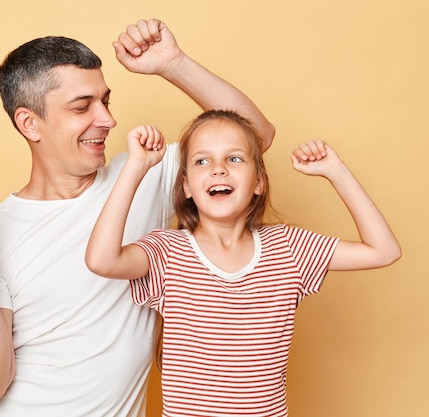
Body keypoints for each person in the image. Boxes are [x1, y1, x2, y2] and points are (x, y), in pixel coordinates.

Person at [0, 19, 275, 417]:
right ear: (29, 123)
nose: (107, 119)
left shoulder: (144, 175)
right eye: (82, 107)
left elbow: (254, 137)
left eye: (105, 101)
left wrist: (173, 63)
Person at [85, 110, 402, 417]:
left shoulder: (289, 248)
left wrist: (337, 172)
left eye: (234, 159)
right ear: (186, 186)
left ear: (258, 183)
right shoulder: (168, 252)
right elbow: (101, 260)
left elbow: (383, 251)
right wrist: (136, 167)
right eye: (202, 161)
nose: (218, 169)